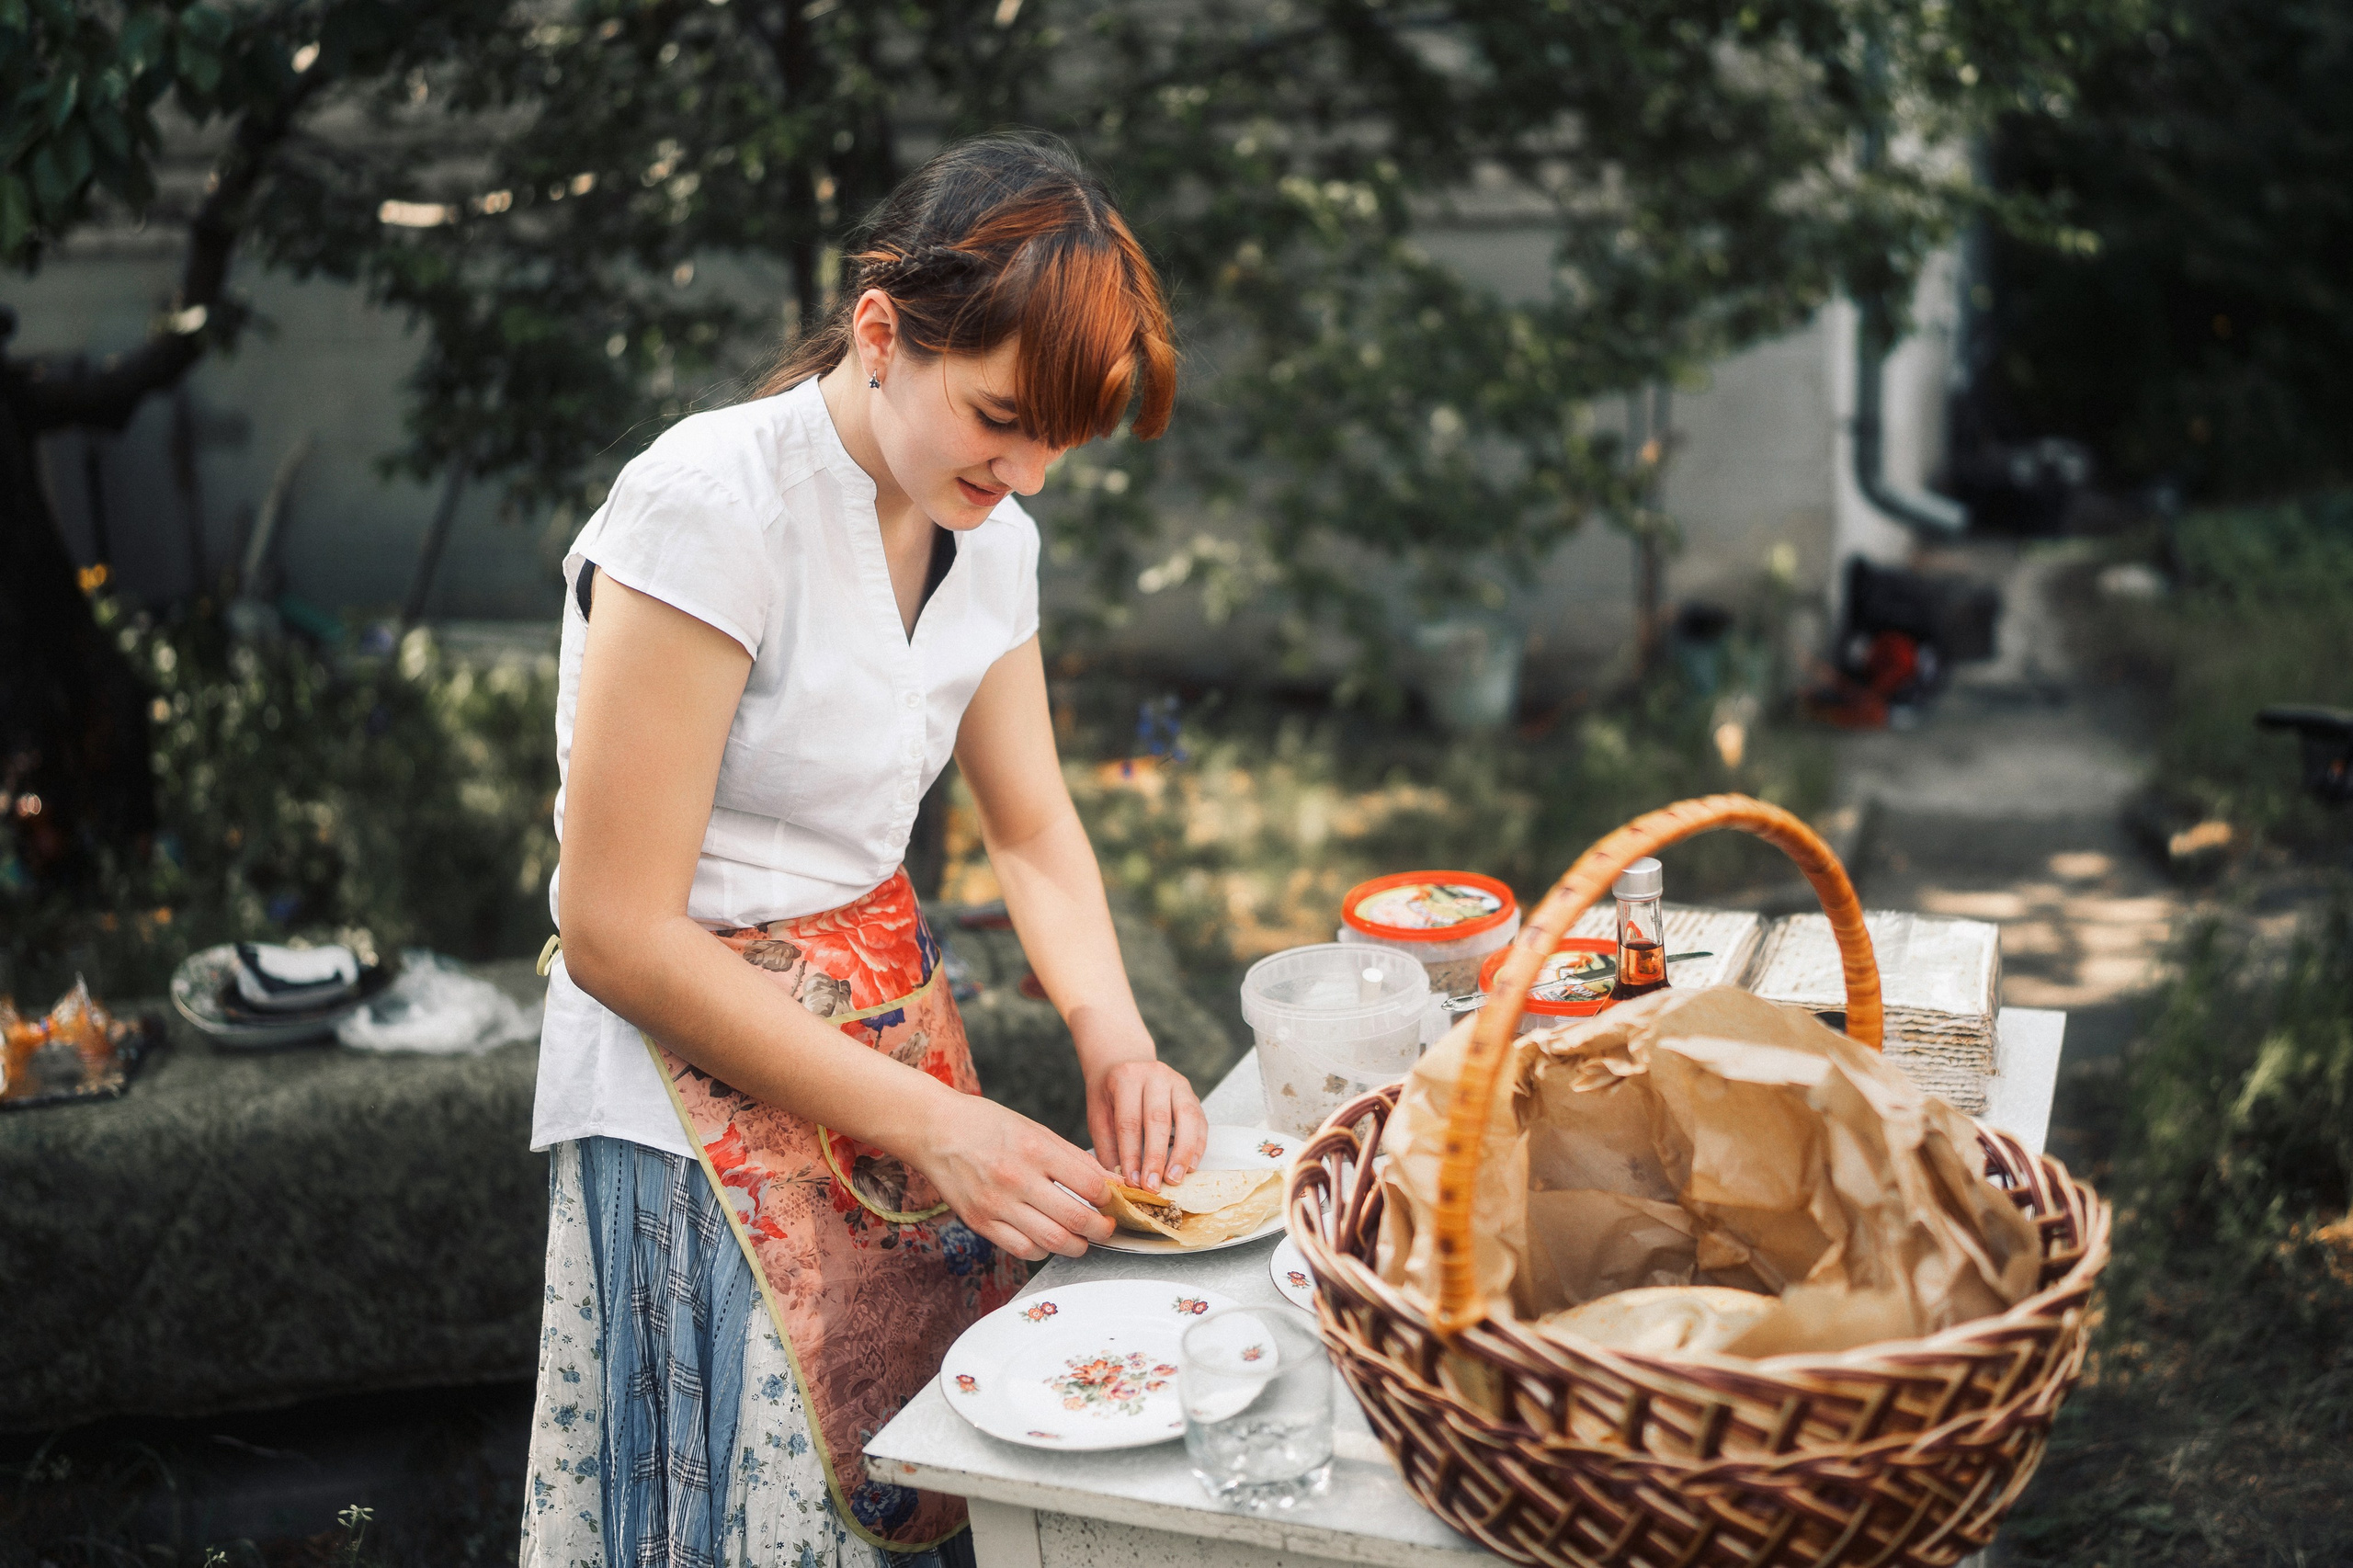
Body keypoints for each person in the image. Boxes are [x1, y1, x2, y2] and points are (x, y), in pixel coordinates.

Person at [519, 133, 1204, 1568]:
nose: (1025, 474)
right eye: (1003, 417)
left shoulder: (989, 529)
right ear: (882, 330)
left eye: (1057, 445)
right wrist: (940, 1127)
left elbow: (1030, 824)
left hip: (893, 1047)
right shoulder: (711, 508)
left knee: (912, 1481)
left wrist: (1117, 1038)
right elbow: (616, 930)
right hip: (687, 1089)